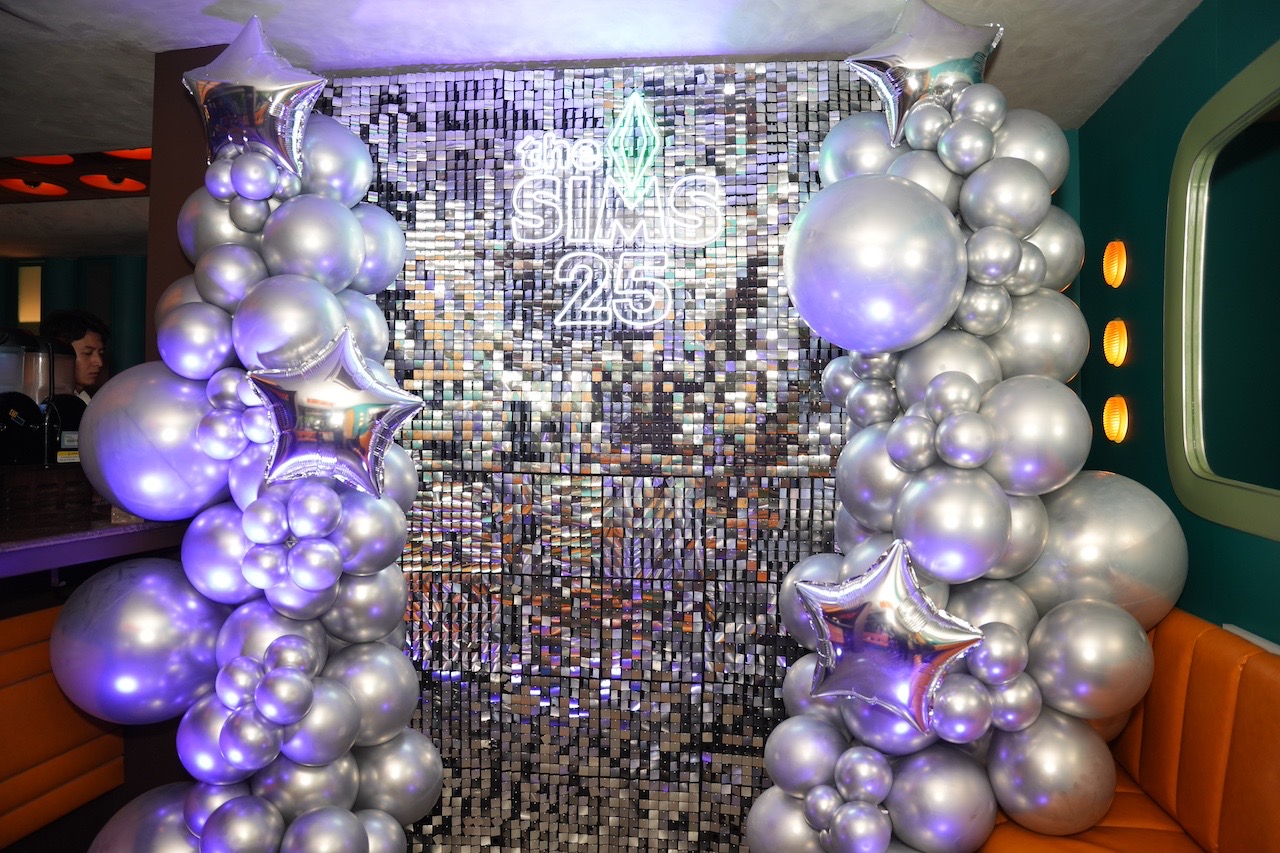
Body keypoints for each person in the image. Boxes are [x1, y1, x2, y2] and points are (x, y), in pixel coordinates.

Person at [40, 309, 108, 404]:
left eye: (101, 353)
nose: (99, 362)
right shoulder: (43, 402)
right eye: (88, 353)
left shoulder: (87, 401)